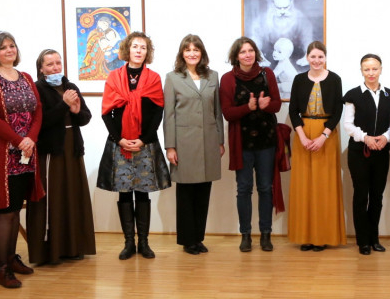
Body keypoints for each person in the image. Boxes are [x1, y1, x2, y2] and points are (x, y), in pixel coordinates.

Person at [0, 31, 44, 288]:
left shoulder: (25, 77)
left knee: (16, 209)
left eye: (12, 45)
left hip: (25, 153)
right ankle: (2, 269)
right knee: (5, 211)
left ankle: (12, 259)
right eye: (3, 47)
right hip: (1, 153)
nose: (9, 50)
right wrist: (18, 140)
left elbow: (37, 111)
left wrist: (31, 139)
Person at [97, 32, 171, 260]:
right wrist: (119, 138)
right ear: (127, 49)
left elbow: (158, 111)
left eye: (143, 47)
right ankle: (129, 243)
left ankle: (144, 244)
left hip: (144, 144)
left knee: (142, 193)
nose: (139, 51)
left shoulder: (154, 78)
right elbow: (106, 113)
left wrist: (144, 139)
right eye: (135, 46)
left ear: (148, 52)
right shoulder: (114, 77)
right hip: (120, 144)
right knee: (125, 194)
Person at [27, 49, 95, 265]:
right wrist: (63, 105)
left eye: (58, 63)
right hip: (51, 150)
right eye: (50, 64)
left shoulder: (70, 86)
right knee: (53, 198)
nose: (55, 67)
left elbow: (85, 118)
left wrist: (76, 111)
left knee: (72, 195)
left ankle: (74, 247)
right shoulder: (36, 89)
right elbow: (40, 123)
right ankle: (50, 251)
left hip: (72, 148)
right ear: (41, 68)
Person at [164, 35, 225, 255]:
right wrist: (170, 146)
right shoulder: (173, 78)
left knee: (203, 192)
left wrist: (220, 140)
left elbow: (217, 112)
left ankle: (198, 238)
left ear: (202, 53)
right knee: (186, 193)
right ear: (182, 53)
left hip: (208, 141)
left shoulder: (213, 76)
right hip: (184, 143)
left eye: (196, 49)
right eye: (188, 49)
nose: (192, 53)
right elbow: (169, 115)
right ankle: (187, 240)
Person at [220, 37, 281, 252]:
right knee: (244, 189)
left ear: (256, 53)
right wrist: (248, 107)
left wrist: (266, 105)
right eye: (243, 52)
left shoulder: (267, 73)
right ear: (236, 56)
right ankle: (245, 234)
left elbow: (276, 105)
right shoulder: (227, 79)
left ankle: (266, 234)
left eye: (251, 51)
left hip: (266, 142)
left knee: (265, 188)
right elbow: (227, 113)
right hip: (242, 144)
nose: (248, 55)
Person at [287, 41, 345, 251]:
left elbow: (338, 111)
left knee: (324, 186)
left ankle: (322, 237)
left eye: (320, 56)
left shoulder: (335, 79)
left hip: (326, 136)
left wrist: (323, 137)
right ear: (307, 57)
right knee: (304, 187)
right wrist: (302, 137)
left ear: (325, 58)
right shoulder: (299, 79)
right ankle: (306, 236)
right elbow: (293, 110)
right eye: (313, 56)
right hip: (303, 134)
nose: (317, 60)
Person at [343, 54, 390, 255]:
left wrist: (386, 136)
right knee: (361, 195)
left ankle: (374, 238)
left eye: (375, 68)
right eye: (367, 69)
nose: (371, 73)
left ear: (381, 69)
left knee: (377, 196)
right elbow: (348, 124)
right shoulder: (353, 95)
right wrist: (365, 138)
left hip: (382, 152)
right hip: (359, 153)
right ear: (361, 71)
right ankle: (363, 241)